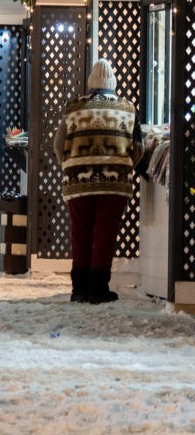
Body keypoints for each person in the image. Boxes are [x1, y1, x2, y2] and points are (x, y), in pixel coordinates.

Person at [53, 58, 143, 304]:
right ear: (113, 85)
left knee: (80, 232)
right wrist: (126, 166)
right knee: (105, 233)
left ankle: (79, 289)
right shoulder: (127, 108)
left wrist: (70, 165)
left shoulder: (73, 108)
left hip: (77, 180)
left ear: (91, 85)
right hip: (114, 183)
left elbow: (58, 144)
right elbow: (138, 148)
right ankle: (98, 288)